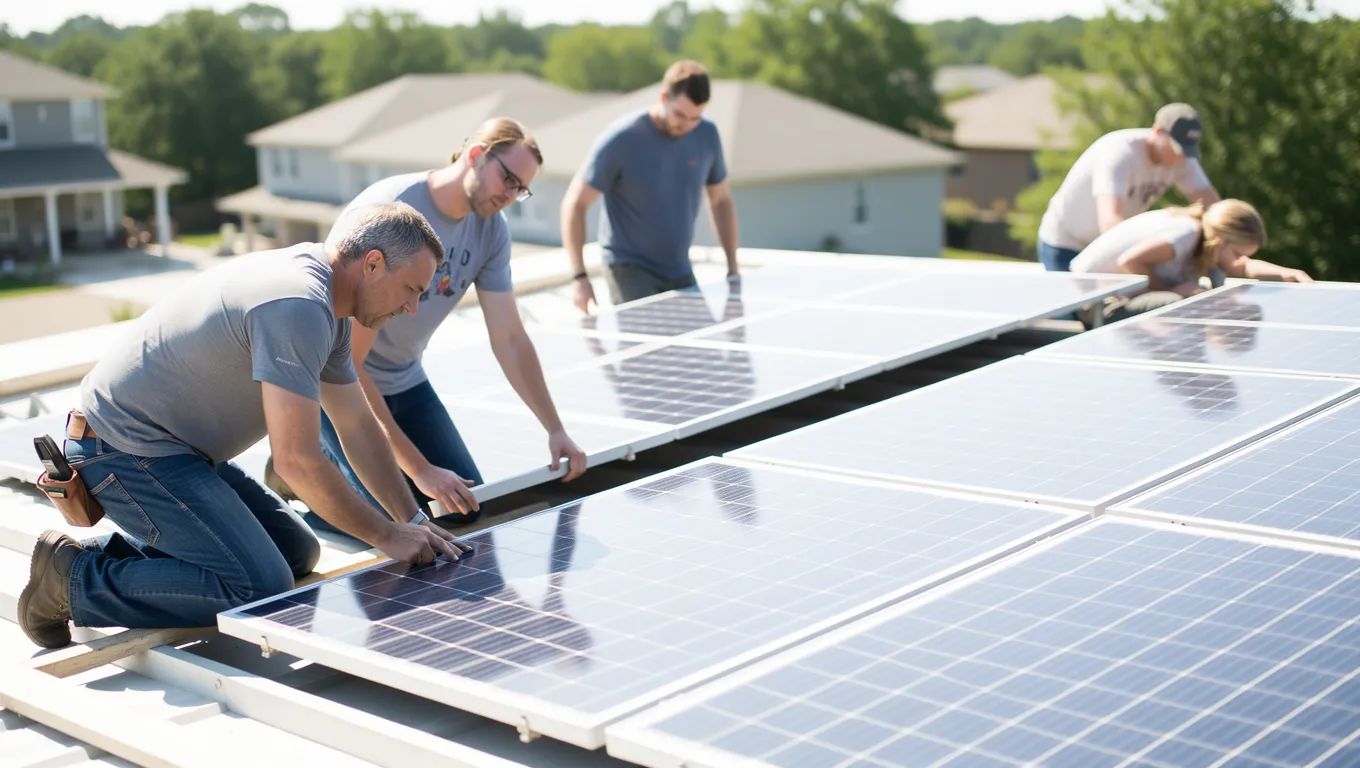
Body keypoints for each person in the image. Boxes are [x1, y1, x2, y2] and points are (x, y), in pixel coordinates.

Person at [19, 204, 472, 649]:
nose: (413, 308)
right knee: (257, 587)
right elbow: (296, 462)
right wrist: (387, 536)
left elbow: (356, 424)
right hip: (122, 450)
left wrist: (410, 519)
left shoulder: (330, 310)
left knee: (298, 553)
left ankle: (100, 556)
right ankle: (73, 580)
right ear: (373, 264)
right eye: (412, 289)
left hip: (179, 454)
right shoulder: (298, 305)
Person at [307, 117, 585, 532]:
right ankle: (311, 478)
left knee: (467, 508)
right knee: (396, 522)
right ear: (475, 156)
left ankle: (339, 468)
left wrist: (555, 428)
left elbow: (509, 336)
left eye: (520, 189)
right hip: (337, 386)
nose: (509, 195)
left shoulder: (491, 231)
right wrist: (418, 469)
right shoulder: (396, 212)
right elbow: (350, 361)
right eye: (507, 178)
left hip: (404, 379)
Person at [562, 59, 739, 312]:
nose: (686, 125)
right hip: (629, 269)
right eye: (680, 114)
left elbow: (720, 199)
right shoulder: (622, 138)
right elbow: (575, 203)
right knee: (647, 347)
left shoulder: (707, 134)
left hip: (679, 267)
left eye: (695, 118)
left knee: (702, 347)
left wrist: (733, 269)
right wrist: (579, 277)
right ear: (664, 97)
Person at [1037, 103, 1221, 272]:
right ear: (1157, 131)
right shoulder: (1119, 152)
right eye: (1174, 148)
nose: (1179, 157)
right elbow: (1110, 221)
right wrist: (1142, 256)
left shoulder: (1183, 159)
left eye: (1186, 151)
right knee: (1073, 307)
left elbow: (1214, 209)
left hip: (1109, 244)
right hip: (1066, 243)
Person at [1071, 198, 1311, 324]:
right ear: (1221, 241)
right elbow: (1130, 261)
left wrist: (1287, 273)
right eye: (1238, 253)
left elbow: (1241, 266)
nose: (1241, 261)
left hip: (1120, 298)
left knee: (1205, 296)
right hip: (1098, 304)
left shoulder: (1205, 240)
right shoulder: (1184, 234)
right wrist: (1173, 289)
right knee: (1182, 301)